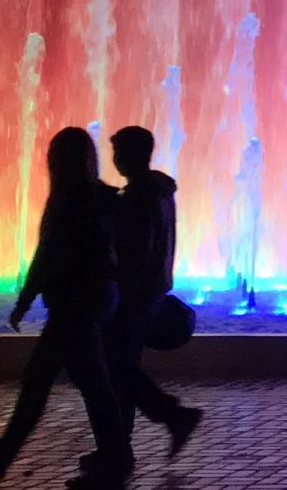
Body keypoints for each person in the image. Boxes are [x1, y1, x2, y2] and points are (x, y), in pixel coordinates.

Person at [0, 128, 132, 489]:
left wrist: (24, 300)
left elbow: (47, 254)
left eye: (54, 154)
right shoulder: (100, 197)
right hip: (93, 301)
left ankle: (3, 456)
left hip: (74, 307)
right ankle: (116, 458)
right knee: (89, 382)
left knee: (43, 380)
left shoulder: (69, 198)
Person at [101, 125, 202, 468]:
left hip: (136, 296)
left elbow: (135, 251)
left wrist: (118, 281)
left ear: (130, 155)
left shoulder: (139, 199)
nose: (114, 159)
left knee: (116, 368)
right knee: (121, 368)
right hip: (152, 292)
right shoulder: (159, 193)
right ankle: (120, 446)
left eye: (117, 152)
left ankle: (171, 417)